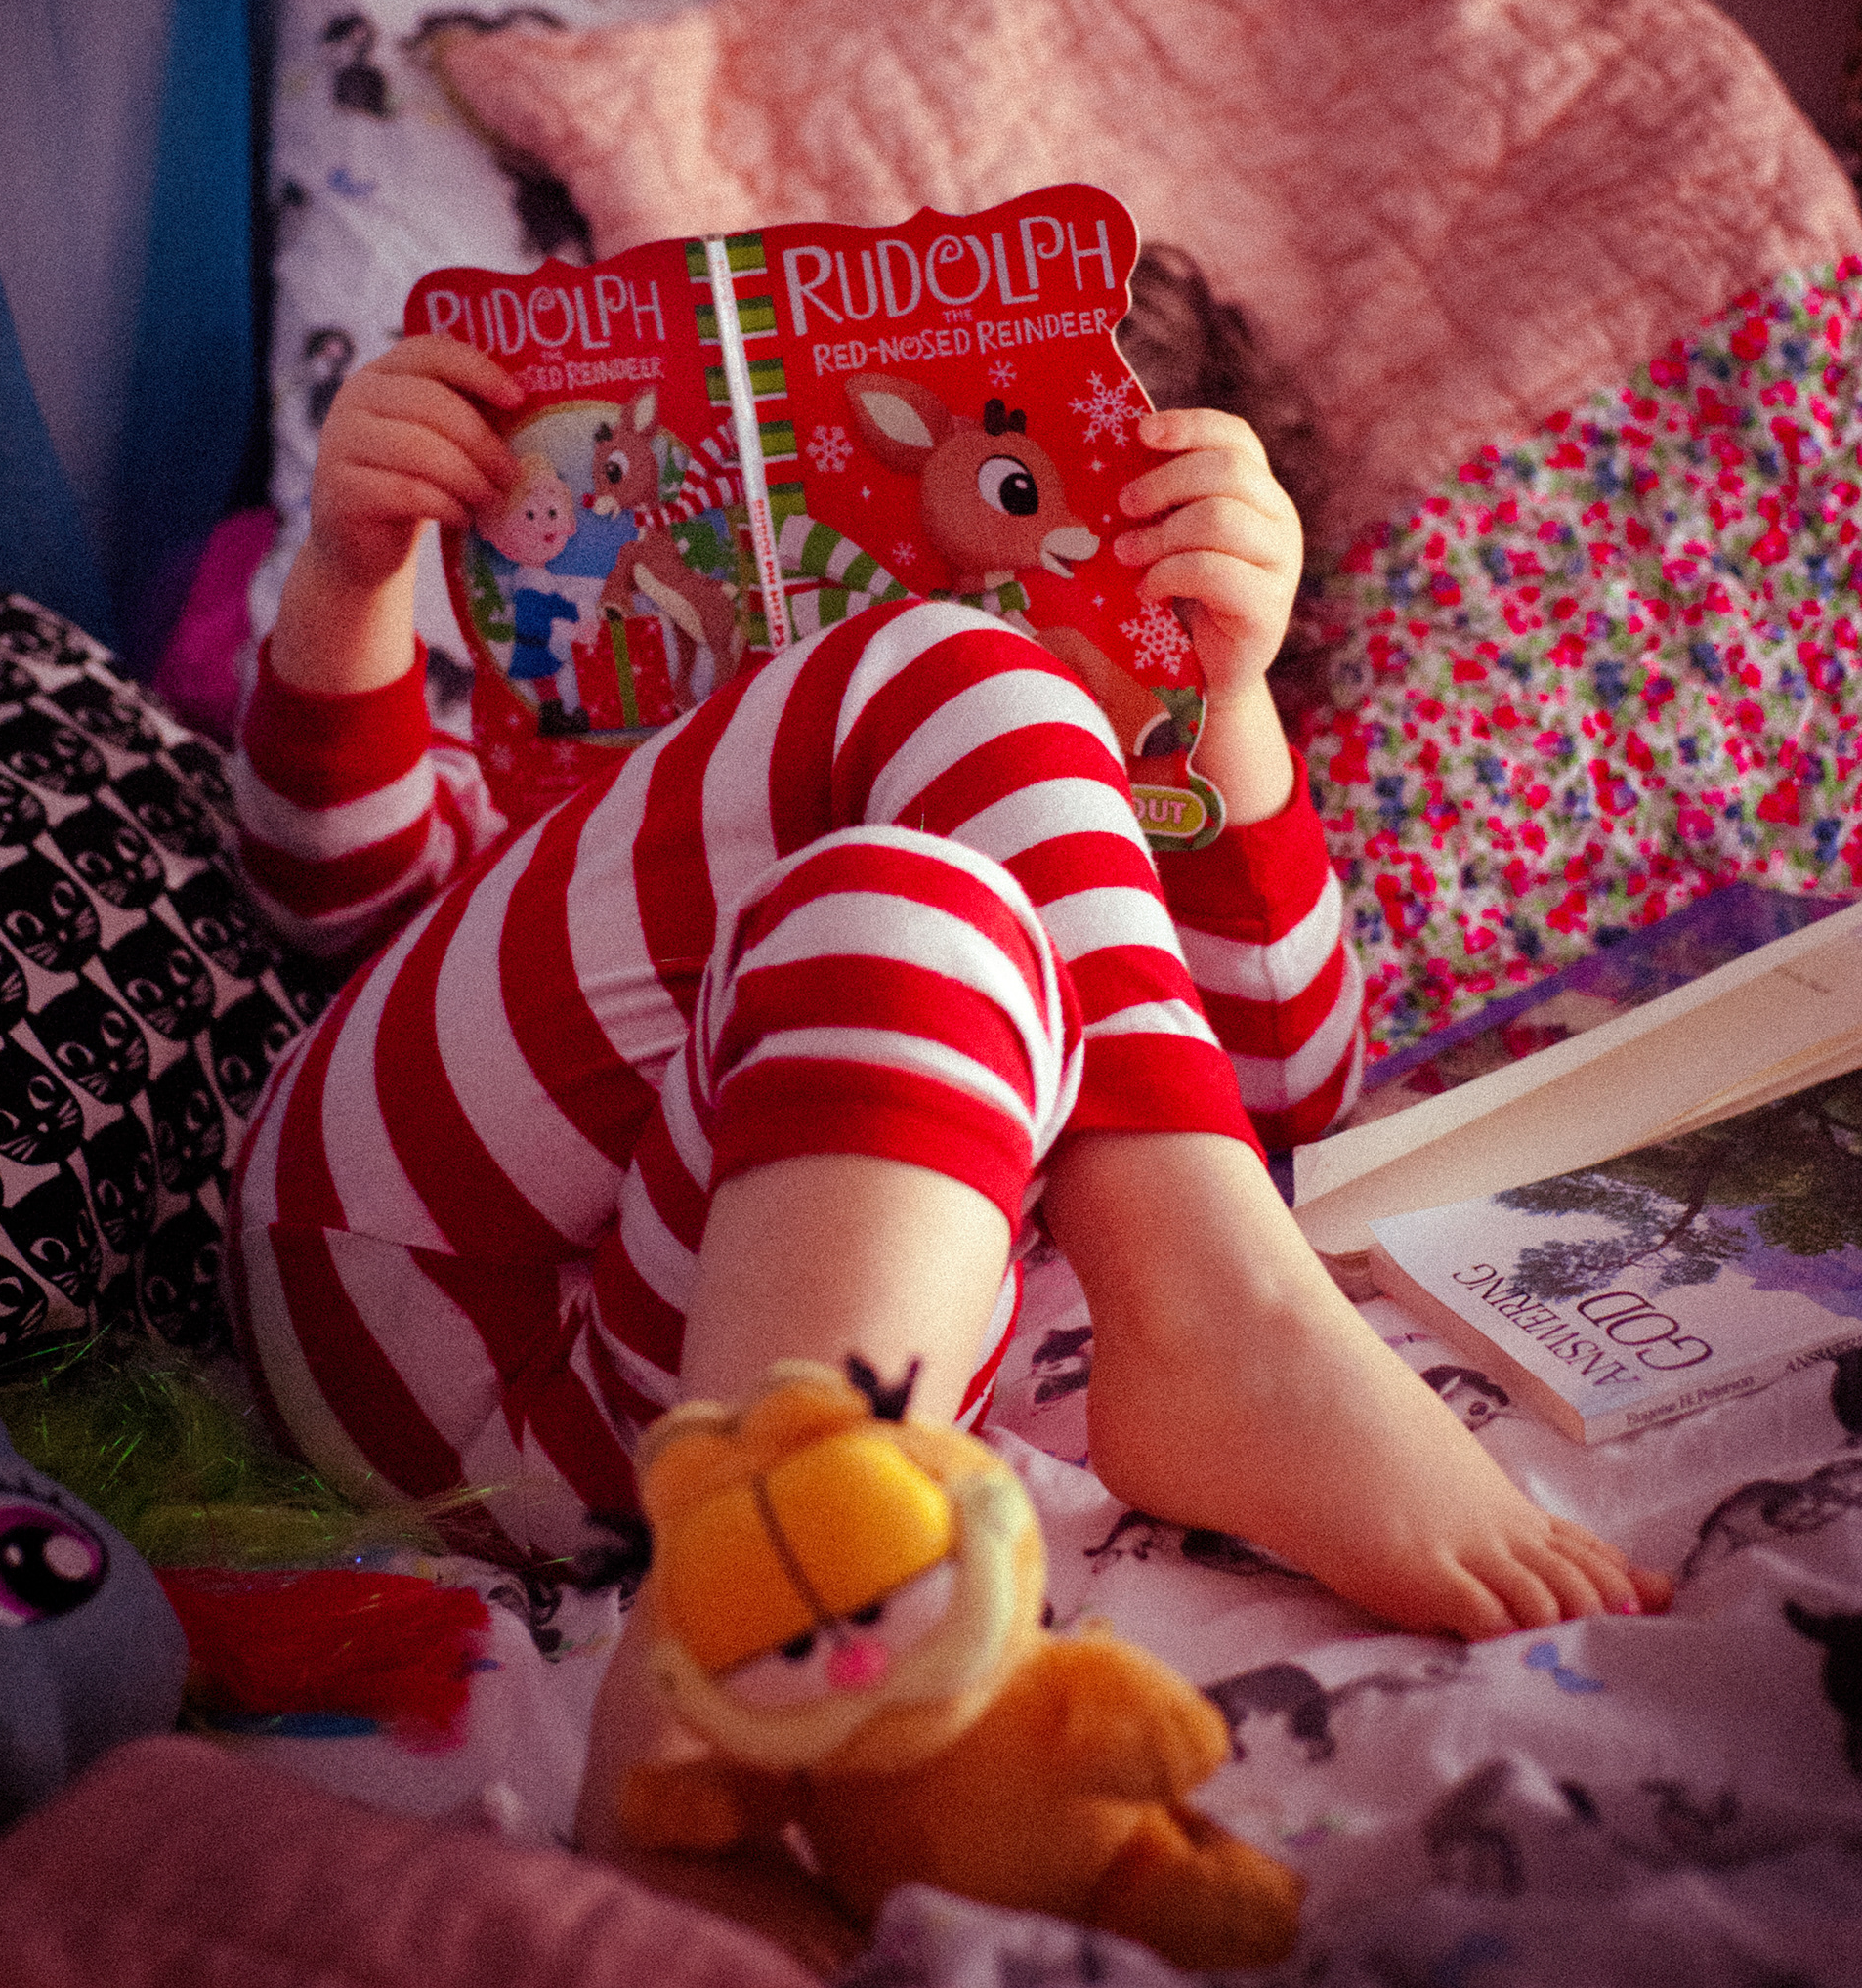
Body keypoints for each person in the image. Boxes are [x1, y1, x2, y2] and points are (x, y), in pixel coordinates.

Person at [226, 314, 1671, 1652]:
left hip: (682, 1442)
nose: (996, 609)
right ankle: (1227, 1321)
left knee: (924, 920)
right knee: (943, 681)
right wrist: (353, 572)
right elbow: (337, 900)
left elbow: (1286, 1096)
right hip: (384, 1251)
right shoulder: (655, 771)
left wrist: (1227, 708)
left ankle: (784, 1616)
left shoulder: (1098, 859)